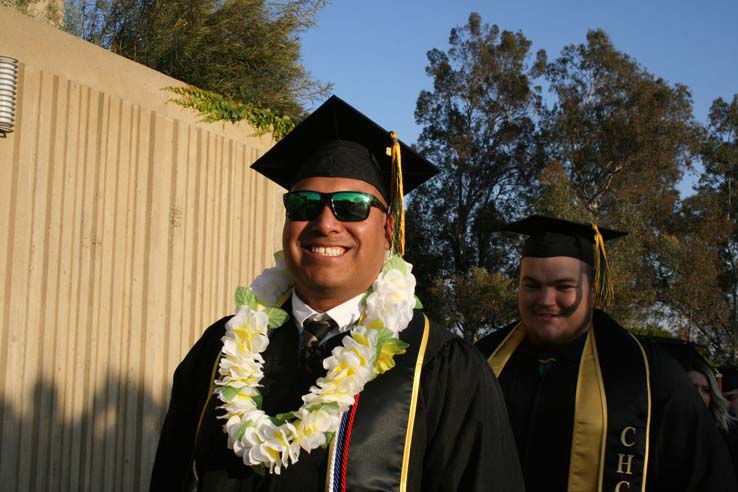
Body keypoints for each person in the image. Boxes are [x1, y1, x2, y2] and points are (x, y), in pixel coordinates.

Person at [149, 95, 524, 492]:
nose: (325, 222)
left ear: (388, 229)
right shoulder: (217, 355)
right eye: (304, 204)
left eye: (352, 206)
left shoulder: (443, 368)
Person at [475, 214, 738, 492]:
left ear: (593, 290)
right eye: (532, 286)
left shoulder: (650, 375)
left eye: (564, 286)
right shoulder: (480, 361)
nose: (545, 300)